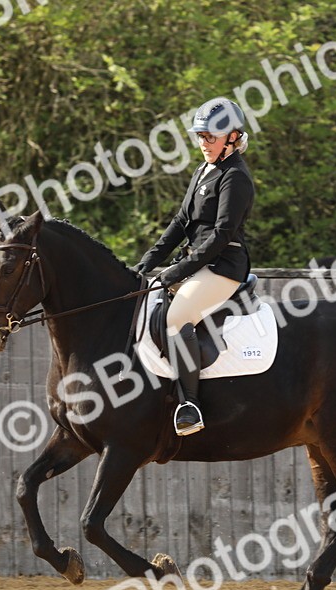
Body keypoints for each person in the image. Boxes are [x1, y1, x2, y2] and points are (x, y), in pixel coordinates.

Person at [133, 97, 255, 436]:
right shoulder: (204, 170)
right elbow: (182, 220)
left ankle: (190, 405)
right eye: (200, 136)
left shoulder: (235, 177)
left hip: (223, 267)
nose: (203, 143)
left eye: (210, 137)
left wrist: (177, 271)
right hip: (198, 263)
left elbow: (220, 235)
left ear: (232, 137)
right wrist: (148, 261)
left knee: (176, 318)